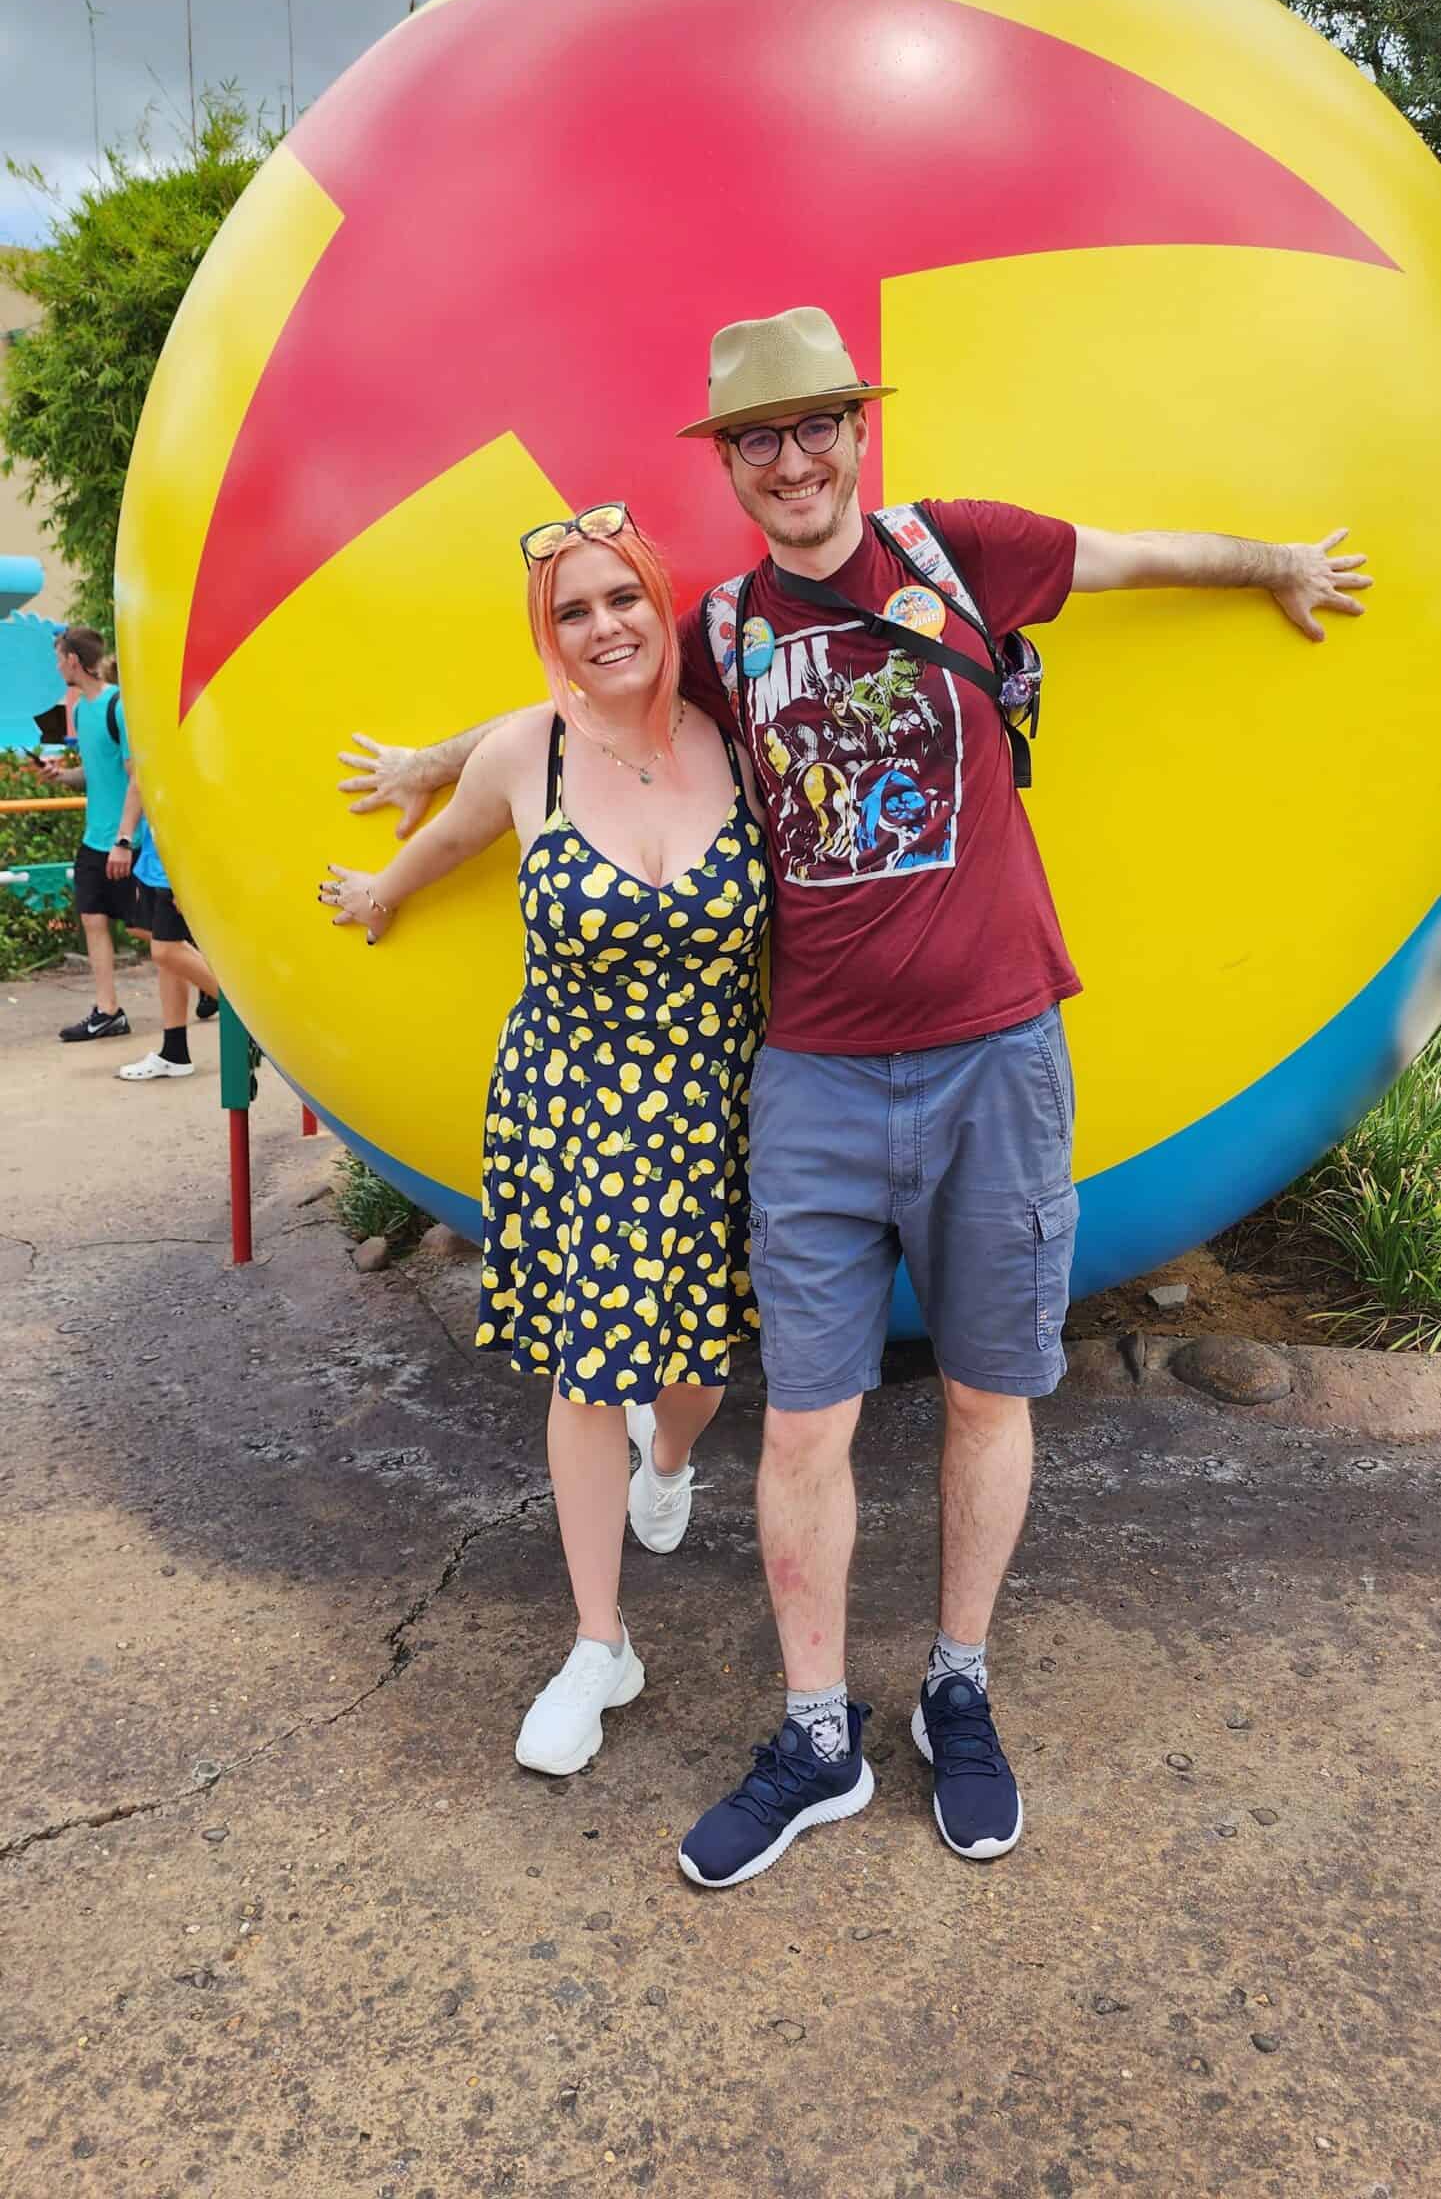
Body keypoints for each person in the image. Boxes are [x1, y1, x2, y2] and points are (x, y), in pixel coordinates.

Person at [338, 306, 1370, 1887]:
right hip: (810, 1077)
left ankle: (959, 1688)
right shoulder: (731, 628)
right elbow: (586, 719)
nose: (794, 458)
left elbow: (1130, 554)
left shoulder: (955, 550)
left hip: (998, 1053)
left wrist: (1273, 564)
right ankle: (817, 1734)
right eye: (760, 438)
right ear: (733, 468)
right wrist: (427, 765)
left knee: (983, 1391)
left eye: (817, 424)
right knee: (805, 1418)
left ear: (856, 432)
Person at [320, 508, 770, 1777]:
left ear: (660, 604)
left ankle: (668, 1454)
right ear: (547, 636)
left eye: (621, 598)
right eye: (571, 611)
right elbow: (454, 838)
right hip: (567, 1106)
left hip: (715, 1110)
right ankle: (597, 1645)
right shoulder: (529, 751)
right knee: (585, 1371)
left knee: (698, 1367)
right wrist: (380, 889)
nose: (603, 626)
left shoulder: (736, 744)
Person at [54, 627, 136, 1044]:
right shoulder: (83, 711)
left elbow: (134, 775)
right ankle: (108, 1011)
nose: (57, 665)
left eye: (59, 657)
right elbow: (95, 770)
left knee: (151, 933)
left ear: (72, 660)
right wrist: (61, 775)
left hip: (126, 840)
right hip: (94, 839)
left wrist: (124, 839)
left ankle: (220, 996)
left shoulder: (116, 706)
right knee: (92, 918)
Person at [114, 803, 222, 1082]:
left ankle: (256, 1021)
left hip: (176, 861)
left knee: (166, 950)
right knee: (166, 958)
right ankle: (174, 1053)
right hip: (157, 856)